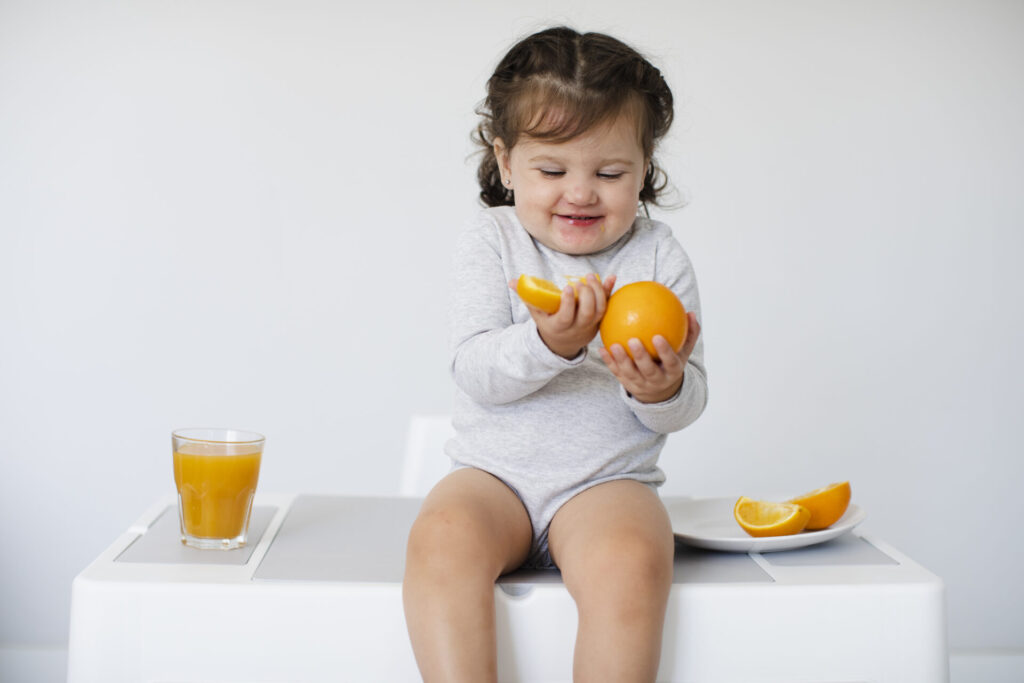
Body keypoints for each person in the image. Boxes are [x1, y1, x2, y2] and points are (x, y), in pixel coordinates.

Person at [402, 26, 708, 682]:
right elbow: (474, 370)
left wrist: (659, 387)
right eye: (551, 169)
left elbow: (688, 402)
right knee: (439, 536)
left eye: (609, 171)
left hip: (605, 482)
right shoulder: (492, 240)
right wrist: (551, 343)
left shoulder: (656, 256)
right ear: (507, 162)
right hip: (494, 478)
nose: (580, 191)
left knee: (632, 560)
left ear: (644, 169)